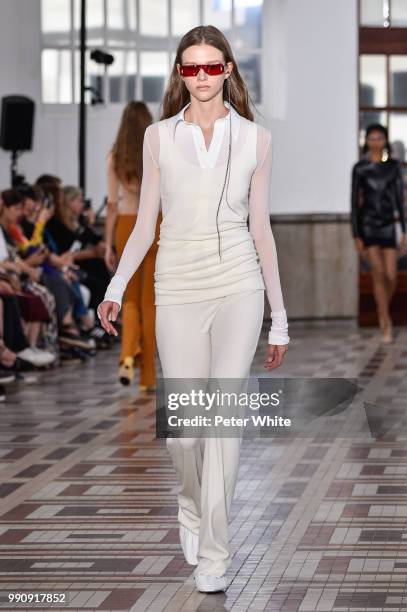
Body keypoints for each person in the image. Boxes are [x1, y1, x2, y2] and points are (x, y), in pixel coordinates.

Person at [98, 25, 289, 593]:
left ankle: (215, 551)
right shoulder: (157, 138)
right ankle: (188, 502)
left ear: (228, 69)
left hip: (238, 285)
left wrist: (279, 315)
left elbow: (262, 229)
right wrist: (115, 287)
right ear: (180, 74)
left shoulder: (256, 139)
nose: (201, 78)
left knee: (222, 424)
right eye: (191, 68)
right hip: (176, 286)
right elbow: (145, 225)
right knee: (186, 432)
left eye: (211, 67)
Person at [105, 101, 162, 389]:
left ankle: (127, 354)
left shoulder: (115, 158)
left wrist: (107, 245)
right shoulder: (156, 152)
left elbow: (112, 206)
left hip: (127, 225)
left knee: (128, 300)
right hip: (155, 224)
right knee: (150, 303)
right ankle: (149, 377)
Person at [351, 123, 407, 343]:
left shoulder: (393, 167)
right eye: (371, 137)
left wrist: (403, 230)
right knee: (378, 274)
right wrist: (356, 235)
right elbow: (354, 204)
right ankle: (385, 320)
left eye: (379, 137)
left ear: (385, 140)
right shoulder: (360, 168)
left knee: (391, 276)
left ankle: (381, 309)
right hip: (368, 227)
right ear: (367, 141)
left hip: (388, 226)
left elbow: (399, 201)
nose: (375, 141)